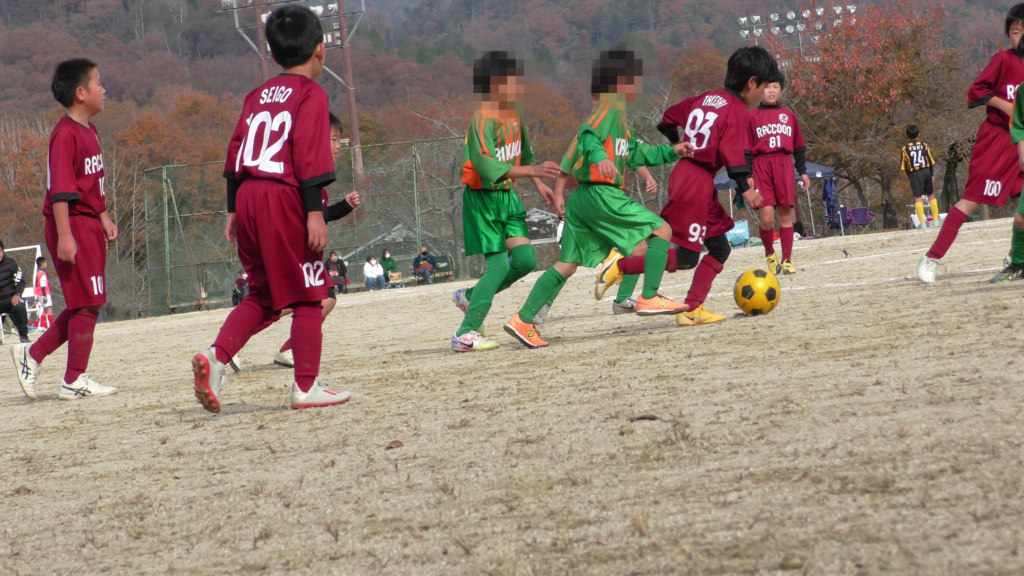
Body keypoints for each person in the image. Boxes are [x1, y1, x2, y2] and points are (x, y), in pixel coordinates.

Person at [191, 6, 351, 412]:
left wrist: (233, 209)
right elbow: (309, 154)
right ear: (321, 49)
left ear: (273, 52)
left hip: (247, 195)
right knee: (311, 295)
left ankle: (216, 357)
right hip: (284, 198)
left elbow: (234, 153)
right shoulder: (311, 94)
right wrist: (314, 213)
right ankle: (306, 387)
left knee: (262, 294)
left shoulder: (256, 96)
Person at [503, 48, 694, 349]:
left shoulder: (622, 126)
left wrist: (674, 151)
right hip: (600, 194)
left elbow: (643, 154)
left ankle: (523, 319)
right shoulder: (610, 106)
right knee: (662, 230)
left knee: (567, 265)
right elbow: (587, 134)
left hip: (583, 200)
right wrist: (600, 157)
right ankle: (648, 296)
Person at [601, 46, 780, 326]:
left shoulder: (705, 98)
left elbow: (667, 120)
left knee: (719, 248)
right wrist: (745, 188)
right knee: (686, 258)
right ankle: (621, 265)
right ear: (751, 82)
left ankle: (692, 309)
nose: (762, 95)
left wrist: (677, 144)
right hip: (695, 182)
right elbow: (732, 153)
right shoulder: (737, 109)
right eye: (764, 87)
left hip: (691, 177)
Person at [10, 59, 119, 401]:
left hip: (88, 222)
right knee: (89, 302)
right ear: (81, 93)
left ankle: (33, 355)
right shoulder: (65, 134)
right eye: (99, 83)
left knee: (85, 302)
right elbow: (60, 191)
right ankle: (73, 379)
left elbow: (91, 185)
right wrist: (66, 235)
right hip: (70, 224)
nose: (104, 89)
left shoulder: (90, 130)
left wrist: (103, 217)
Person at [449, 51, 561, 352]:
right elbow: (486, 167)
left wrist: (539, 182)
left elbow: (523, 156)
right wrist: (533, 172)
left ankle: (470, 296)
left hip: (506, 197)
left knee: (525, 261)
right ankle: (464, 333)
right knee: (498, 266)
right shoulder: (483, 118)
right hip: (483, 200)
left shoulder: (513, 113)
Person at [919, 4, 1024, 283]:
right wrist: (1007, 106)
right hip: (998, 141)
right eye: (1016, 32)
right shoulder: (1003, 60)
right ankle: (932, 257)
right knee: (972, 201)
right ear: (1008, 34)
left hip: (1021, 144)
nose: (1021, 37)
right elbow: (977, 90)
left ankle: (1017, 259)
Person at [746, 74, 810, 275]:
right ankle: (769, 252)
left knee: (784, 215)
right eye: (767, 87)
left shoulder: (788, 115)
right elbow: (745, 149)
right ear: (759, 90)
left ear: (780, 90)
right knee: (766, 218)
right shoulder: (752, 116)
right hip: (761, 165)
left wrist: (802, 171)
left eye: (775, 86)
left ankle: (787, 259)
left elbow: (799, 146)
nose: (771, 90)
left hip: (783, 164)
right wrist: (748, 173)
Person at [901, 125, 938, 230]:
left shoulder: (905, 149)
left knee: (918, 197)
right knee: (931, 195)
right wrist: (932, 174)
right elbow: (930, 161)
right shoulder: (924, 145)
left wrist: (910, 177)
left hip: (915, 173)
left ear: (907, 135)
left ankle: (922, 223)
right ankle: (936, 220)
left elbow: (905, 167)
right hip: (926, 171)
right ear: (919, 134)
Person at [0, 241, 30, 344]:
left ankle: (24, 335)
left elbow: (20, 281)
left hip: (10, 299)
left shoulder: (11, 263)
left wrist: (17, 294)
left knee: (19, 306)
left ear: (3, 251)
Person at [33, 256, 54, 329]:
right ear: (42, 264)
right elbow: (43, 285)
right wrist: (45, 296)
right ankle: (52, 326)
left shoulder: (38, 273)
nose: (46, 264)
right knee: (49, 309)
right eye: (45, 263)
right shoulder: (43, 274)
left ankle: (42, 326)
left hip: (39, 294)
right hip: (44, 293)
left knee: (45, 310)